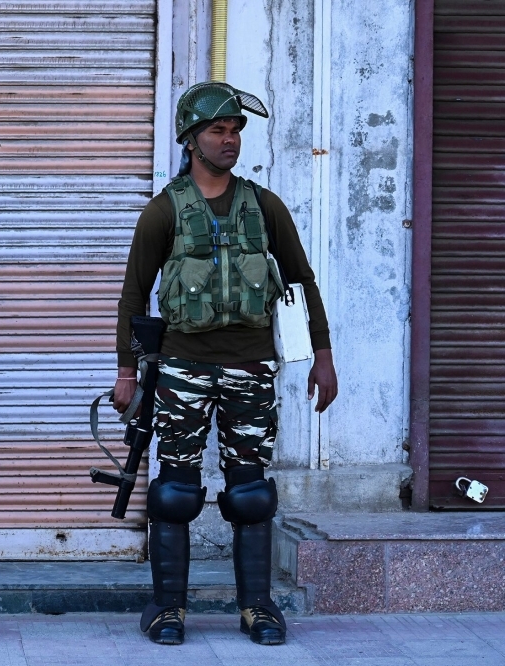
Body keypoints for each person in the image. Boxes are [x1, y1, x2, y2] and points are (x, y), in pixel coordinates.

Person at [114, 82, 338, 647]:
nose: (229, 140)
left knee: (250, 491)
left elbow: (301, 281)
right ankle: (168, 609)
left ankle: (257, 608)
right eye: (217, 130)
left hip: (251, 366)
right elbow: (133, 295)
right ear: (192, 140)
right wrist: (125, 371)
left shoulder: (264, 206)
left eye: (235, 130)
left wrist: (323, 357)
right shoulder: (164, 210)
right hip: (183, 367)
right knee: (175, 491)